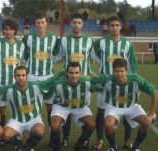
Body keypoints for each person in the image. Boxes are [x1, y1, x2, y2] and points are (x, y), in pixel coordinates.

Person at [92, 16, 138, 150]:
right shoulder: (100, 42)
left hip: (123, 83)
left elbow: (133, 63)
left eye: (117, 25)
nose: (114, 27)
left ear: (121, 26)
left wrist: (133, 80)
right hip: (105, 83)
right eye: (112, 25)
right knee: (101, 111)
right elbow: (95, 56)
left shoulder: (128, 44)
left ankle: (128, 139)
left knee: (126, 111)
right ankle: (100, 139)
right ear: (108, 27)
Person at [92, 58, 158, 151]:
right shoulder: (106, 79)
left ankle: (135, 147)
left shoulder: (136, 78)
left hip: (131, 106)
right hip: (113, 106)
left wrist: (151, 115)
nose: (119, 74)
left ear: (126, 70)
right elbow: (91, 80)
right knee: (108, 125)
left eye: (122, 71)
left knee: (147, 122)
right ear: (113, 71)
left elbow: (155, 93)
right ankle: (112, 146)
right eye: (116, 71)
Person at [1, 66, 64, 151]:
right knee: (5, 136)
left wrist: (62, 71)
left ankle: (29, 145)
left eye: (23, 75)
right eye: (18, 75)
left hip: (34, 119)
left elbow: (52, 81)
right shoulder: (8, 89)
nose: (21, 78)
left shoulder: (37, 86)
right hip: (16, 120)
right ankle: (18, 143)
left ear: (27, 76)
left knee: (40, 131)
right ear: (14, 77)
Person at [22, 12, 61, 142]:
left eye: (42, 22)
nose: (40, 25)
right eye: (38, 23)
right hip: (32, 78)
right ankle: (31, 134)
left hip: (48, 77)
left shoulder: (54, 38)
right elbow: (24, 55)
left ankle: (52, 134)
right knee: (31, 107)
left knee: (50, 107)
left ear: (46, 23)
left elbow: (56, 55)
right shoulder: (28, 38)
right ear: (35, 24)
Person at [58, 13, 94, 147]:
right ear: (70, 23)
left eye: (79, 22)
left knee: (86, 109)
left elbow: (94, 57)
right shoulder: (63, 40)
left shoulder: (89, 41)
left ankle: (85, 139)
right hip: (67, 81)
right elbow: (58, 57)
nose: (77, 25)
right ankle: (65, 138)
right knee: (66, 108)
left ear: (82, 24)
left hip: (84, 82)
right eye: (74, 22)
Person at [50, 62, 95, 151]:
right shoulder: (58, 84)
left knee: (91, 124)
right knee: (54, 125)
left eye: (76, 73)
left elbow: (97, 87)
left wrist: (96, 80)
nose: (74, 76)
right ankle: (57, 147)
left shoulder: (86, 83)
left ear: (80, 73)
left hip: (80, 106)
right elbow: (48, 87)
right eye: (71, 73)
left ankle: (79, 144)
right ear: (67, 73)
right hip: (61, 106)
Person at [0, 19, 25, 128]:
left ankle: (17, 133)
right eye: (6, 29)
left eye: (11, 29)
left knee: (18, 109)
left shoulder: (21, 45)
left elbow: (24, 61)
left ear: (15, 31)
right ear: (3, 30)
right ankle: (1, 132)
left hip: (16, 83)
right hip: (1, 82)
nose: (8, 32)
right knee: (1, 110)